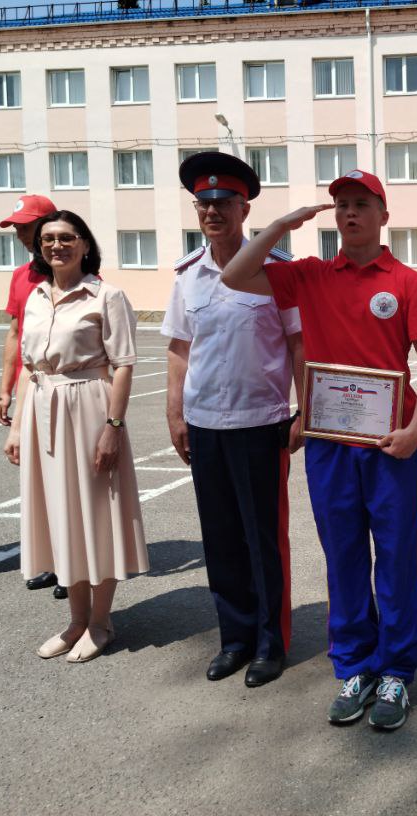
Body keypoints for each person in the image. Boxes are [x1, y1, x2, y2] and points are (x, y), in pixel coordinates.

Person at [222, 170, 417, 732]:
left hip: (391, 445)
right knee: (343, 557)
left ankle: (396, 670)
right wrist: (280, 224)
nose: (350, 213)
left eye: (362, 204)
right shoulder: (309, 275)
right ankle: (355, 665)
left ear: (383, 215)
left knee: (395, 558)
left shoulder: (407, 282)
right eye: (342, 204)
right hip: (329, 445)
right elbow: (233, 274)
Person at [162, 152, 304, 688]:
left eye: (223, 202)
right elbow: (180, 349)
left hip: (260, 422)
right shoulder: (188, 276)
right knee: (220, 538)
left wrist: (305, 410)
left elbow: (299, 344)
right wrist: (175, 413)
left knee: (262, 539)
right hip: (205, 424)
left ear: (245, 209)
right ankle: (235, 638)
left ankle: (270, 642)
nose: (212, 211)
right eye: (203, 203)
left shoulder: (276, 269)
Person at [3, 210, 148, 663]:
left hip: (89, 409)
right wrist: (17, 427)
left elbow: (123, 366)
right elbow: (29, 368)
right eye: (48, 238)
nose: (56, 245)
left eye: (67, 237)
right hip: (43, 410)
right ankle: (76, 620)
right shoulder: (35, 297)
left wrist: (113, 427)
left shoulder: (107, 295)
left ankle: (100, 622)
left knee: (96, 514)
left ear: (85, 244)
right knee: (61, 517)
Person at [0, 194, 63, 597]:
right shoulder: (20, 276)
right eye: (17, 228)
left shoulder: (73, 270)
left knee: (66, 478)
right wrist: (5, 389)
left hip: (63, 389)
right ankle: (52, 560)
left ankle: (74, 564)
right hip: (29, 387)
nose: (21, 235)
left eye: (27, 226)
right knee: (39, 480)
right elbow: (15, 334)